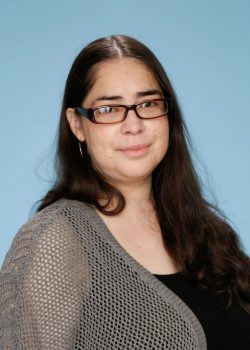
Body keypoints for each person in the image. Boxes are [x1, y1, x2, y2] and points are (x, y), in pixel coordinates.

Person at [0, 35, 249, 350]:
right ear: (77, 124)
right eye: (109, 109)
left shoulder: (207, 233)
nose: (134, 125)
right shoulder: (58, 240)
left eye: (148, 104)